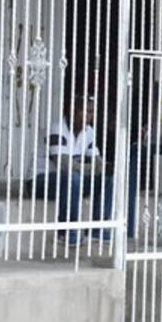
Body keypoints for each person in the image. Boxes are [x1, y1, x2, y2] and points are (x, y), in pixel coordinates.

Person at [34, 90, 114, 244]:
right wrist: (93, 169)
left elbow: (97, 161)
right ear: (72, 110)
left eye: (91, 112)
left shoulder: (88, 131)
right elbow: (63, 164)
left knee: (108, 178)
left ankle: (96, 229)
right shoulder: (57, 129)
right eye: (84, 111)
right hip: (40, 181)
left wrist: (106, 168)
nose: (88, 116)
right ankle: (65, 231)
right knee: (73, 177)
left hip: (70, 182)